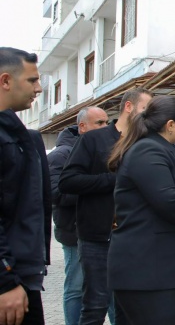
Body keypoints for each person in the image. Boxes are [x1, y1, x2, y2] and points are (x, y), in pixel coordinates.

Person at [107, 95, 175, 325]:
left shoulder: (165, 148)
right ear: (170, 125)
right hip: (148, 273)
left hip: (167, 271)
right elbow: (167, 198)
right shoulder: (147, 151)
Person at [58, 88, 153, 325]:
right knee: (95, 306)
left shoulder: (146, 142)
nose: (148, 116)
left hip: (134, 238)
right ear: (129, 107)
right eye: (145, 109)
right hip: (97, 239)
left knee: (128, 308)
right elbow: (67, 181)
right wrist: (113, 180)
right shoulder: (93, 139)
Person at [0, 47, 51, 325]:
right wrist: (5, 280)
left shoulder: (16, 132)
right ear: (6, 81)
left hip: (23, 276)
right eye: (32, 80)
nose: (39, 88)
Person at [48, 107, 109, 325]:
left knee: (109, 289)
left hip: (103, 232)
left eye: (106, 122)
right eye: (99, 123)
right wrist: (96, 187)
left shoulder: (106, 148)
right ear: (82, 127)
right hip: (74, 232)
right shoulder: (61, 155)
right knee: (76, 288)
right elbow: (55, 193)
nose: (105, 127)